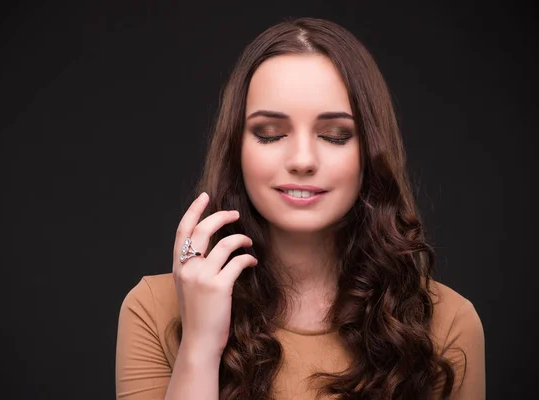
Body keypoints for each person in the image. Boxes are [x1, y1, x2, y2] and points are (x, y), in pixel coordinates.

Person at [115, 17, 485, 400]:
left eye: (335, 135)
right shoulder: (154, 310)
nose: (303, 160)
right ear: (236, 150)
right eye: (270, 134)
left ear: (370, 153)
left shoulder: (446, 325)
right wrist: (200, 346)